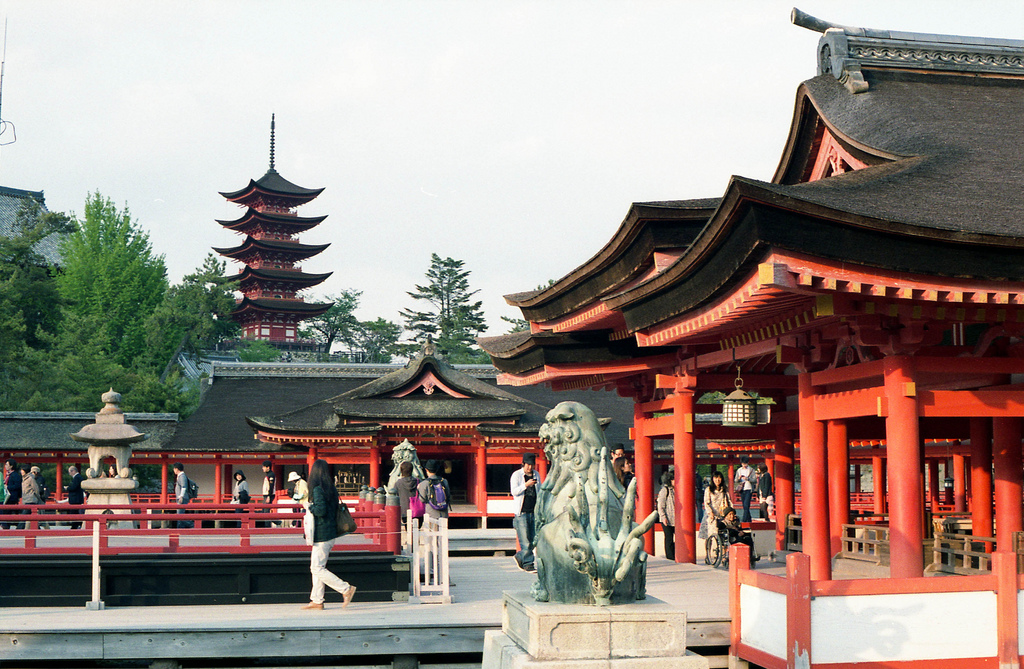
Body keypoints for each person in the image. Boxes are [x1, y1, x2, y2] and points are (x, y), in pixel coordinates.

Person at [302, 458, 356, 611]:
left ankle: (346, 589)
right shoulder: (331, 488)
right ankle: (317, 600)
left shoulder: (318, 489)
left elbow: (320, 510)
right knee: (318, 567)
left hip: (322, 534)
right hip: (330, 533)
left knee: (317, 568)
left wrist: (309, 506)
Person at [510, 453, 541, 572]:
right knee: (525, 540)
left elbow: (539, 490)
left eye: (532, 465)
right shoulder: (517, 475)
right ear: (523, 464)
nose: (529, 467)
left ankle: (519, 556)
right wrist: (526, 485)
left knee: (534, 539)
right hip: (521, 512)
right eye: (527, 464)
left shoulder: (536, 474)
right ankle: (528, 563)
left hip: (534, 511)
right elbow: (514, 492)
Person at [699, 470, 731, 539]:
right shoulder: (709, 489)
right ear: (712, 479)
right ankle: (709, 548)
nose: (717, 480)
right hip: (711, 514)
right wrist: (710, 513)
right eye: (715, 478)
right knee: (710, 534)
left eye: (719, 478)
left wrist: (731, 511)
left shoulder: (724, 490)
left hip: (722, 514)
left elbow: (729, 501)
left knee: (725, 534)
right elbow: (706, 503)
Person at [657, 470, 676, 561]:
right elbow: (660, 505)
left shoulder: (678, 490)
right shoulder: (665, 490)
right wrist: (663, 517)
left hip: (676, 519)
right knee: (669, 538)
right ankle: (670, 557)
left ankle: (675, 554)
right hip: (667, 518)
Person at [734, 456, 756, 523]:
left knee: (746, 505)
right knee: (744, 506)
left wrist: (748, 479)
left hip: (748, 488)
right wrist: (739, 478)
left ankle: (743, 520)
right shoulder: (739, 470)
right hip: (742, 489)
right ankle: (749, 519)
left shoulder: (751, 470)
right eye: (743, 464)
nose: (744, 465)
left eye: (745, 464)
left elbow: (754, 480)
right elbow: (735, 480)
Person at [173, 462, 193, 529]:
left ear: (176, 469)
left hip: (182, 498)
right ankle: (181, 528)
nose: (174, 470)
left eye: (174, 469)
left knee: (179, 515)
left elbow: (184, 487)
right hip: (181, 497)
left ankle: (191, 524)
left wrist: (181, 496)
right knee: (180, 515)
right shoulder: (180, 476)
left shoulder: (182, 476)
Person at [3, 459, 22, 529]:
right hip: (7, 496)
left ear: (11, 466)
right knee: (6, 511)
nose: (5, 466)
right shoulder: (8, 475)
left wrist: (8, 487)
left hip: (12, 496)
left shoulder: (15, 475)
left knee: (8, 511)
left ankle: (7, 525)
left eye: (7, 465)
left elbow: (17, 486)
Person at [65, 465, 85, 529]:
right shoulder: (79, 477)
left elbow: (74, 487)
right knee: (76, 512)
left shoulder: (77, 478)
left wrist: (68, 488)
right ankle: (77, 524)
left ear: (73, 471)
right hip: (77, 498)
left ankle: (75, 525)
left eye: (69, 472)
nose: (69, 474)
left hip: (75, 499)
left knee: (74, 512)